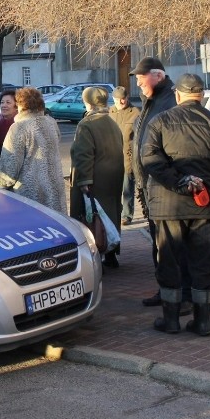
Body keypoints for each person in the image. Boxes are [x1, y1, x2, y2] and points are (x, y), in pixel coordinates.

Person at [141, 73, 210, 335]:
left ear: (178, 96)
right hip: (206, 206)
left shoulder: (160, 122)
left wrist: (179, 182)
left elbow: (150, 160)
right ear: (202, 96)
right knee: (202, 264)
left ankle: (171, 320)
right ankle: (202, 322)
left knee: (170, 262)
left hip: (168, 205)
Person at [130, 57, 191, 312]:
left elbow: (174, 147)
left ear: (158, 75)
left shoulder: (169, 102)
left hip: (164, 188)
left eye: (140, 77)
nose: (137, 82)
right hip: (149, 186)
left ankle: (183, 296)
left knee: (174, 246)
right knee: (159, 244)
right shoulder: (151, 101)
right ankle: (165, 290)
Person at [69, 86, 124, 267]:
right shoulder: (112, 121)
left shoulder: (87, 124)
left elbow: (84, 154)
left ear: (88, 103)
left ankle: (97, 256)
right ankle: (111, 255)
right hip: (113, 178)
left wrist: (84, 180)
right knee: (111, 215)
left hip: (95, 179)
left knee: (92, 218)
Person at [0, 87, 67, 214]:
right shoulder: (51, 122)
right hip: (55, 191)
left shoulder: (19, 127)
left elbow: (10, 167)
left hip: (31, 196)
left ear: (20, 105)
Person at [109, 86, 140, 225]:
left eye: (123, 99)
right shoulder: (110, 112)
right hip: (112, 158)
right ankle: (114, 212)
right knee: (113, 188)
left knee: (127, 189)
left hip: (128, 157)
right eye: (117, 100)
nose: (120, 102)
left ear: (127, 97)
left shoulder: (135, 113)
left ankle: (127, 215)